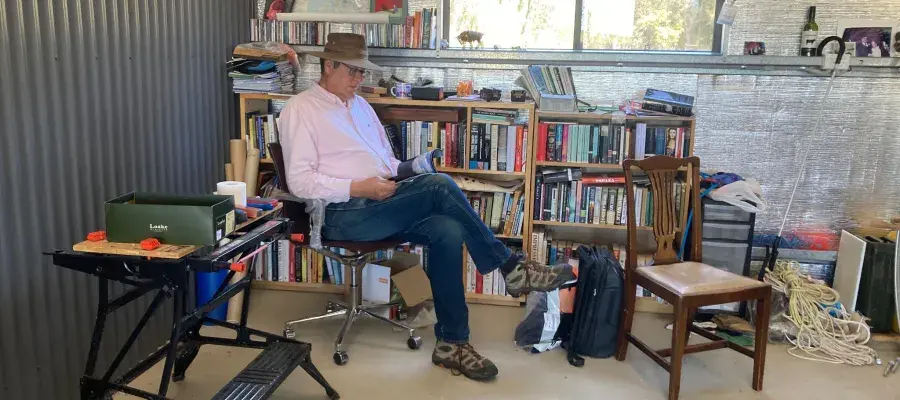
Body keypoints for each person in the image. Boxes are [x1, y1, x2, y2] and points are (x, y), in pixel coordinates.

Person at [277, 33, 574, 381]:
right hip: (342, 213)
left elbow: (386, 162)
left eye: (362, 71)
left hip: (381, 202)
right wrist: (359, 187)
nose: (359, 78)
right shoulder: (301, 109)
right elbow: (299, 182)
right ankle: (511, 267)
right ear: (328, 65)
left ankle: (452, 344)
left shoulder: (361, 106)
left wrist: (409, 169)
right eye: (352, 71)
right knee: (440, 185)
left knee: (447, 230)